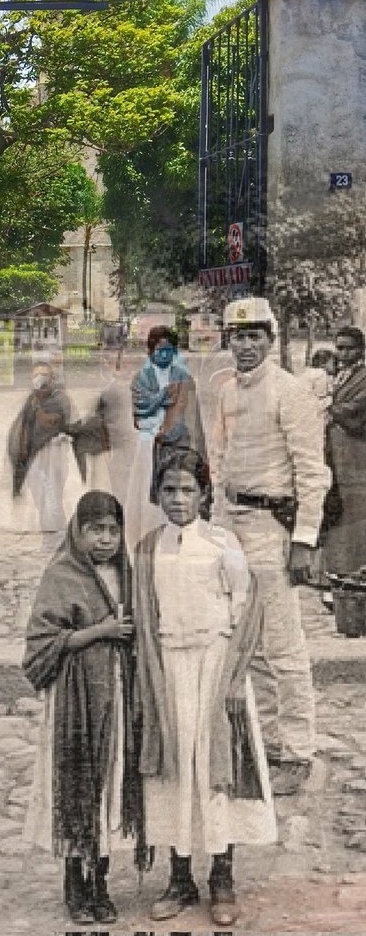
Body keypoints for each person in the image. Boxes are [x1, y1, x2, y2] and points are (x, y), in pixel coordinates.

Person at [133, 448, 276, 928]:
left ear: (205, 494)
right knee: (176, 770)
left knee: (215, 770)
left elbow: (245, 610)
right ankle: (178, 877)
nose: (178, 499)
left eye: (188, 490)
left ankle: (221, 876)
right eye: (169, 490)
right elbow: (146, 615)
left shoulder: (222, 544)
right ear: (157, 494)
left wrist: (233, 679)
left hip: (216, 669)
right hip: (168, 669)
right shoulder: (148, 548)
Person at [209, 296, 327, 796]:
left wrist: (303, 540)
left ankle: (297, 751)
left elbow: (312, 474)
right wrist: (213, 526)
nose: (247, 345)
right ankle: (265, 743)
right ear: (228, 340)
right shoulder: (224, 390)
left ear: (271, 339)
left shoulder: (291, 392)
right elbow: (218, 461)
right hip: (231, 523)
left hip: (272, 528)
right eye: (239, 336)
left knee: (282, 642)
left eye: (256, 335)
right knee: (244, 640)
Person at [22, 491, 145, 925]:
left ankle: (102, 883)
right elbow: (42, 645)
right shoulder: (62, 575)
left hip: (115, 697)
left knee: (110, 787)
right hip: (75, 703)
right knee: (78, 785)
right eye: (96, 530)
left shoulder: (126, 574)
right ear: (78, 530)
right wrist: (101, 630)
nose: (106, 540)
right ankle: (75, 882)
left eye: (113, 530)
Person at [126, 326, 205, 551]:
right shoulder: (142, 378)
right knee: (148, 501)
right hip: (148, 446)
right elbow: (140, 413)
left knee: (175, 493)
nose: (164, 355)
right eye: (159, 350)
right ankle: (146, 546)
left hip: (178, 447)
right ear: (150, 352)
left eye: (169, 350)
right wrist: (160, 399)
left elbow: (192, 418)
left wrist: (180, 437)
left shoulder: (185, 379)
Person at [8, 363, 82, 547]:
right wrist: (22, 457)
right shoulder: (31, 401)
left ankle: (60, 539)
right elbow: (24, 428)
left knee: (52, 497)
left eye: (43, 375)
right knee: (40, 498)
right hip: (35, 456)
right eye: (36, 376)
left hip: (54, 454)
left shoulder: (60, 399)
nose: (39, 379)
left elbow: (51, 422)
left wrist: (38, 409)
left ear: (52, 379)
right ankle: (50, 539)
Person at [323, 326, 366, 576]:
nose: (342, 353)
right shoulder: (337, 373)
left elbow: (358, 406)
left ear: (360, 350)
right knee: (338, 505)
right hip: (337, 451)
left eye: (348, 348)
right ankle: (339, 567)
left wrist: (331, 410)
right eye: (339, 348)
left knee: (358, 508)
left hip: (358, 451)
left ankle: (357, 566)